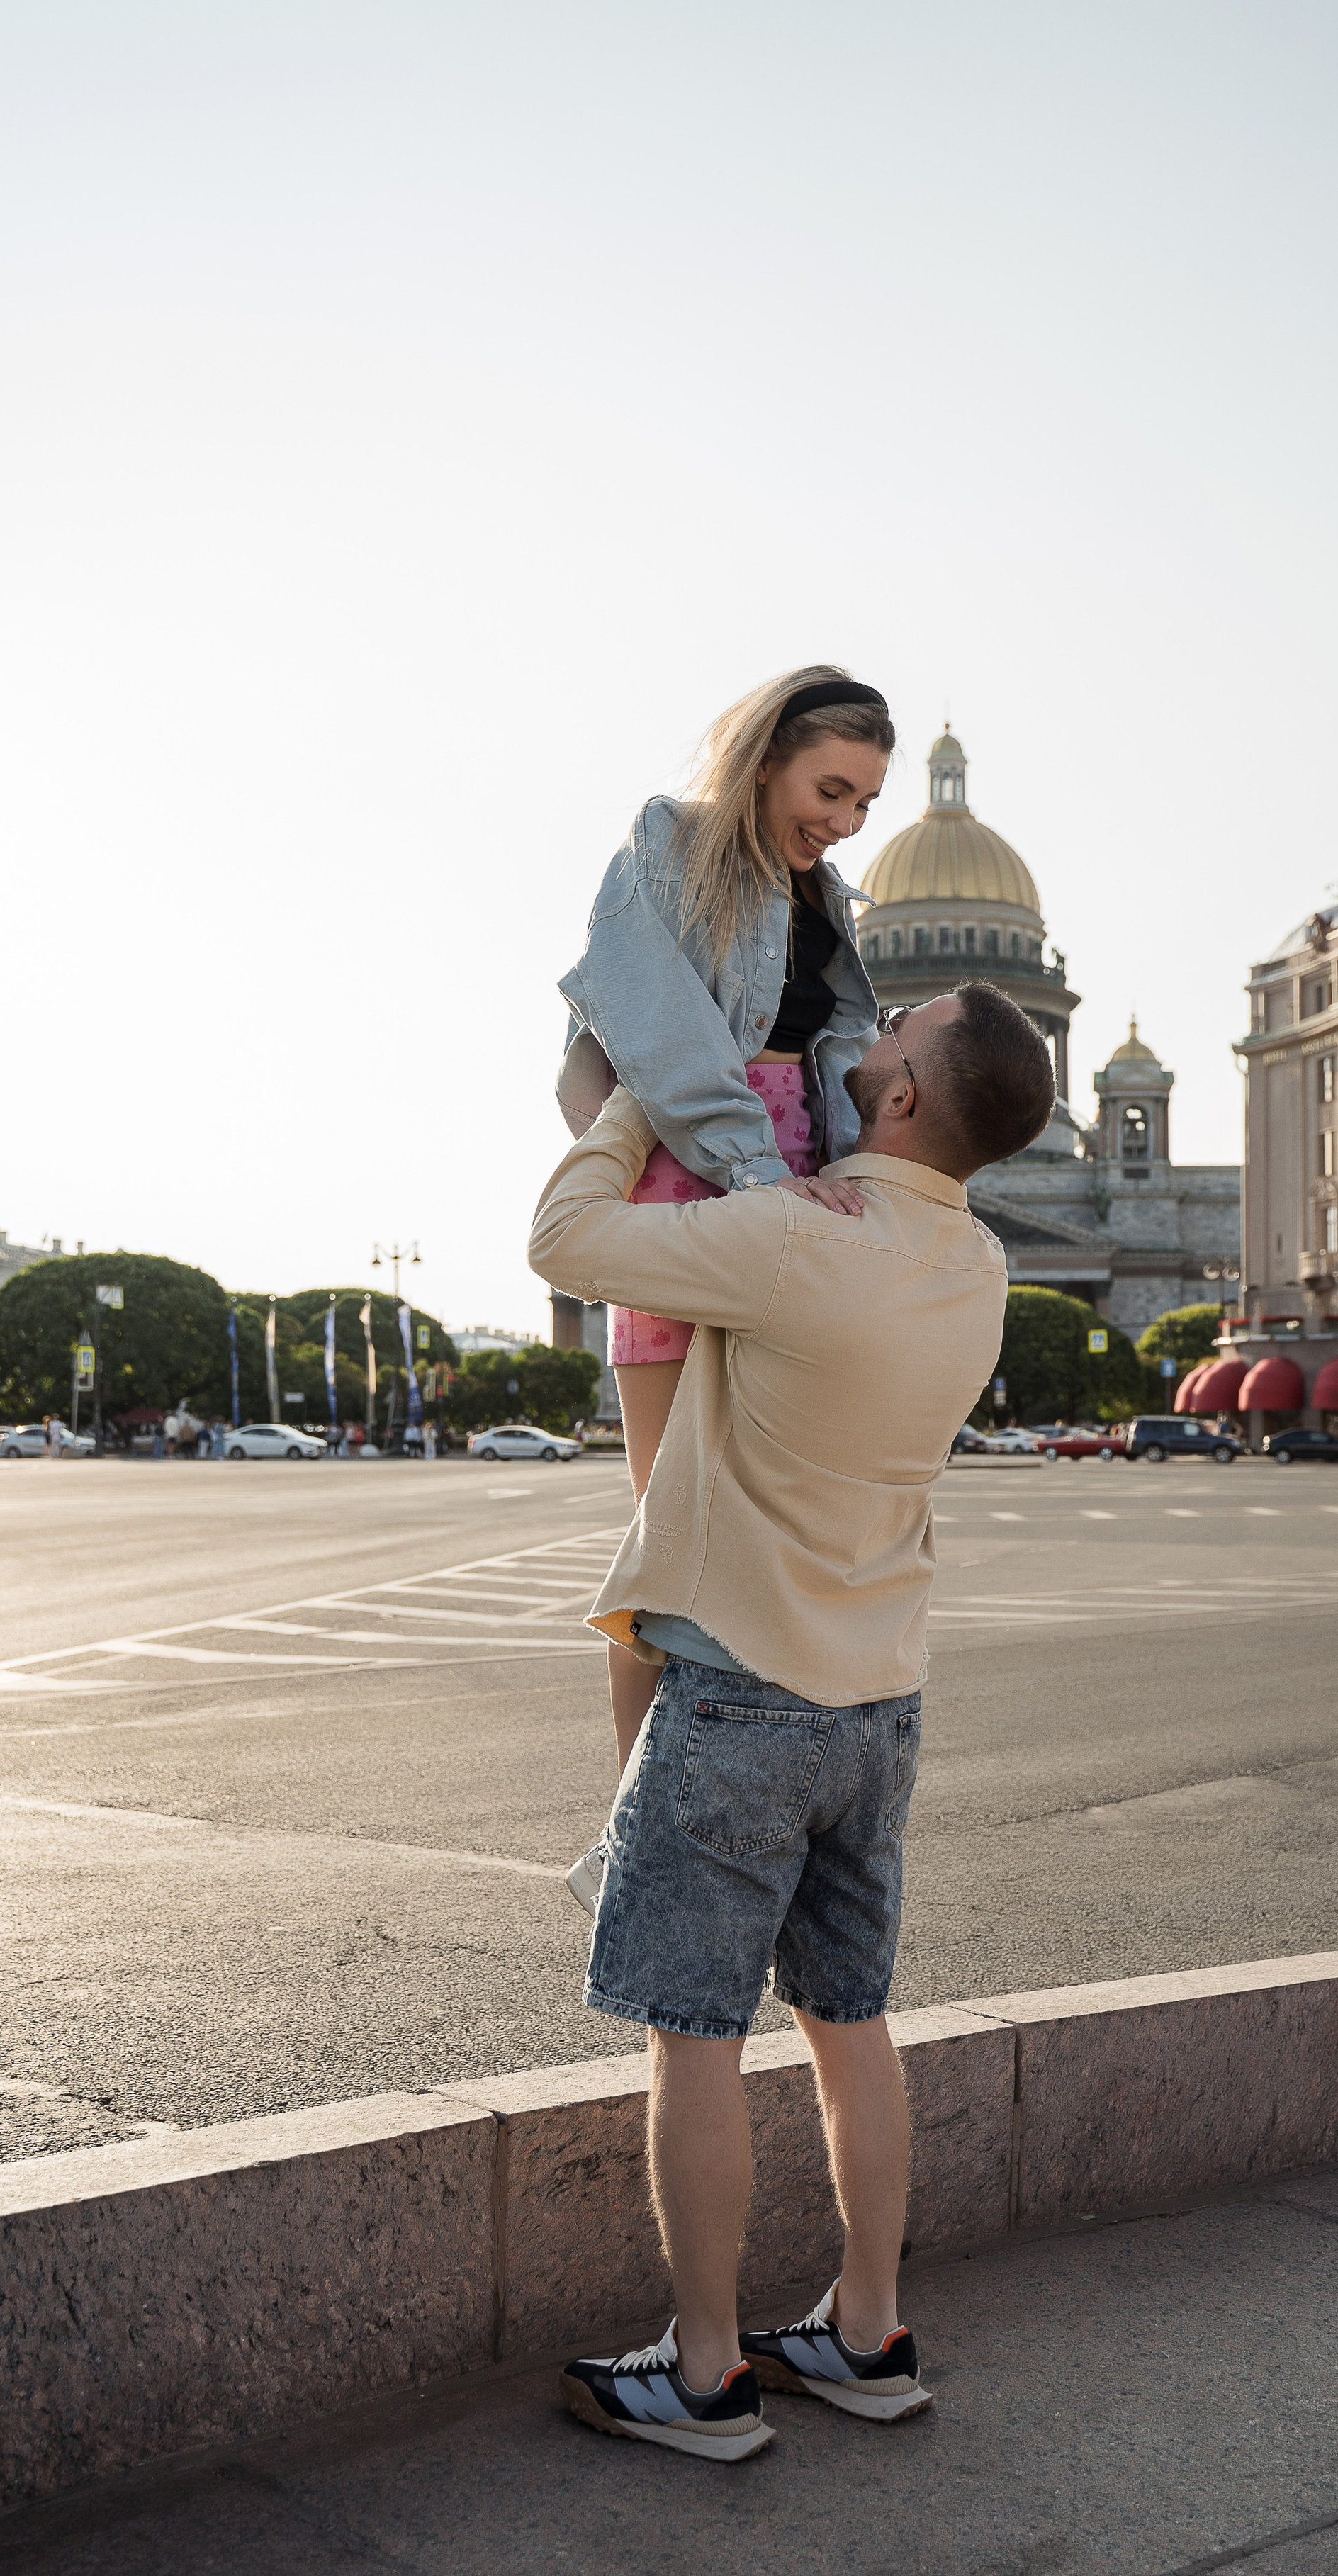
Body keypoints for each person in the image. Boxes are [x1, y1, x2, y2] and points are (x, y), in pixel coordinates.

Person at [529, 980, 1055, 2462]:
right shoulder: (978, 1266)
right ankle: (866, 2331)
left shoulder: (789, 1242)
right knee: (847, 2026)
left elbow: (562, 1243)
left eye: (890, 1033)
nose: (861, 1036)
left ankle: (704, 2375)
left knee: (694, 2041)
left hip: (738, 1698)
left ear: (897, 1098)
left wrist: (652, 1080)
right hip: (876, 1708)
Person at [558, 666, 892, 1784]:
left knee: (758, 1538)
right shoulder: (669, 846)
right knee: (672, 1537)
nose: (842, 824)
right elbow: (655, 1034)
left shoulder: (826, 899)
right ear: (766, 759)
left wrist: (864, 1193)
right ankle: (631, 1825)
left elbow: (847, 1056)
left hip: (796, 1201)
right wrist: (755, 1173)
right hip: (694, 1196)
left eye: (863, 807)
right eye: (830, 790)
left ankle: (728, 1799)